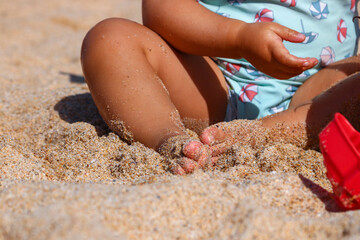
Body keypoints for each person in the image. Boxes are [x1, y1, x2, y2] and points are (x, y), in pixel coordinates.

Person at [81, 0, 359, 175]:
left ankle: (288, 129)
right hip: (213, 81)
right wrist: (238, 38)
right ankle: (169, 138)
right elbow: (161, 9)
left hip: (317, 91)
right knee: (110, 39)